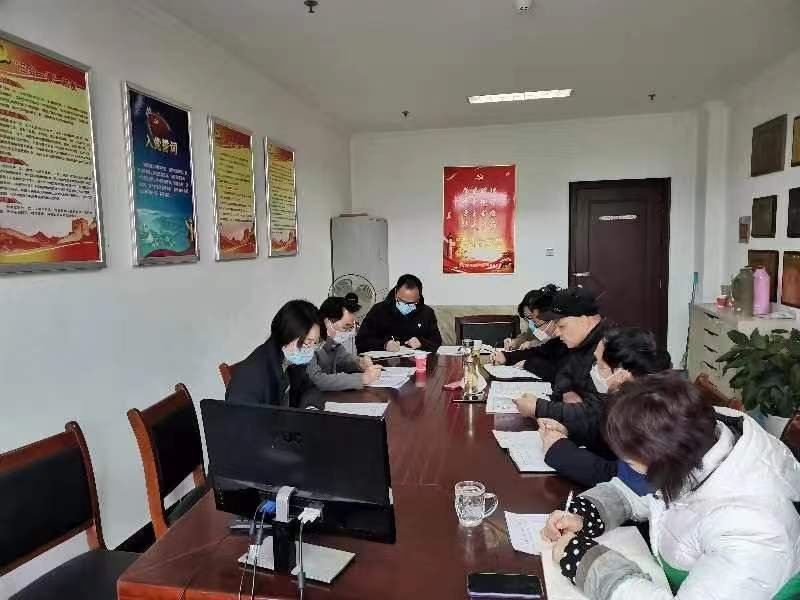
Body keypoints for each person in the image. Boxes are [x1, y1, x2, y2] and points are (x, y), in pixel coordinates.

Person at [542, 373, 800, 600]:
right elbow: (646, 495)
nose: (628, 466)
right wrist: (585, 514)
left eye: (630, 461)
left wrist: (583, 561)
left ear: (662, 460)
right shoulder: (700, 446)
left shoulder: (754, 531)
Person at [538, 327, 671, 489]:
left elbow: (623, 478)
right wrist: (568, 431)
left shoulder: (655, 416)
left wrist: (558, 450)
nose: (593, 370)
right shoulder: (631, 400)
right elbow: (606, 441)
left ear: (622, 375)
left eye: (599, 365)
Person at [514, 286, 610, 408]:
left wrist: (538, 408)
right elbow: (564, 372)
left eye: (562, 326)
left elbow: (596, 412)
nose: (558, 333)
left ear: (584, 320)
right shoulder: (581, 344)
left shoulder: (606, 349)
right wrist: (566, 391)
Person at [225, 299, 324, 409]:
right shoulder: (250, 379)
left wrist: (311, 409)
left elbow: (310, 389)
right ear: (286, 336)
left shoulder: (290, 360)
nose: (311, 350)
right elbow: (241, 419)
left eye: (315, 343)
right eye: (307, 343)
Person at [490, 284, 568, 382]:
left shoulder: (569, 339)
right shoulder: (554, 341)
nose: (532, 323)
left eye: (532, 318)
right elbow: (536, 351)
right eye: (528, 318)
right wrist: (506, 356)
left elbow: (560, 371)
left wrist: (527, 363)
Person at [307, 294, 382, 391]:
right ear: (327, 321)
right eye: (345, 327)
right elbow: (318, 380)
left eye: (350, 328)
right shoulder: (308, 343)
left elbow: (343, 360)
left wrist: (359, 363)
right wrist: (362, 379)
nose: (348, 332)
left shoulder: (332, 343)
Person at [356, 274, 443, 353]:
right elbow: (361, 341)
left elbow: (436, 340)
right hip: (384, 362)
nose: (405, 305)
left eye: (410, 303)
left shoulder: (427, 313)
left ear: (418, 298)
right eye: (401, 301)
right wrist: (384, 345)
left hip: (416, 360)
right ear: (395, 293)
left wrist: (421, 343)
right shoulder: (378, 310)